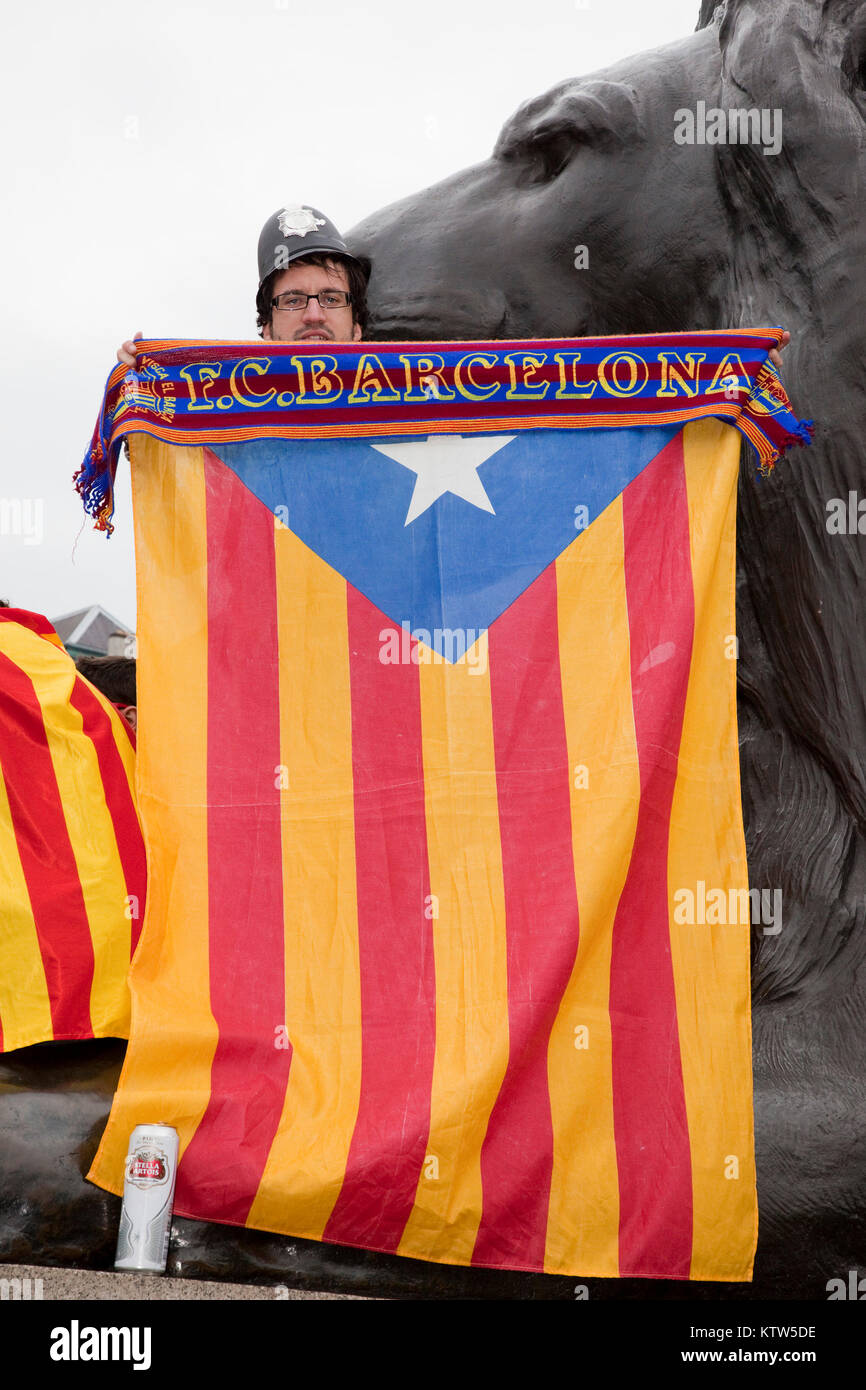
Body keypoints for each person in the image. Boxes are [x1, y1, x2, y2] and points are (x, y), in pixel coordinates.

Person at [117, 205, 368, 364]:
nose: (314, 315)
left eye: (331, 299)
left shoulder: (407, 407)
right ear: (267, 329)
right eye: (293, 301)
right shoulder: (216, 417)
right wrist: (142, 390)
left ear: (357, 326)